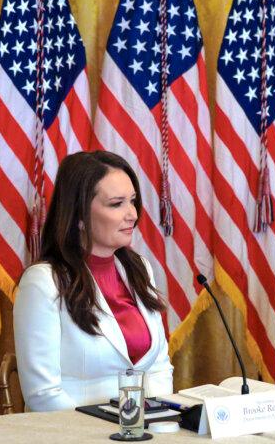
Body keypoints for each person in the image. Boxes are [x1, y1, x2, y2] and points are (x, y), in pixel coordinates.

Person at [13, 151, 173, 411]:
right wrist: (104, 439)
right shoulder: (43, 283)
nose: (132, 213)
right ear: (79, 216)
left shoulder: (139, 269)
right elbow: (43, 393)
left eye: (132, 201)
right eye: (116, 203)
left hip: (144, 434)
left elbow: (159, 367)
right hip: (76, 442)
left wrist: (157, 420)